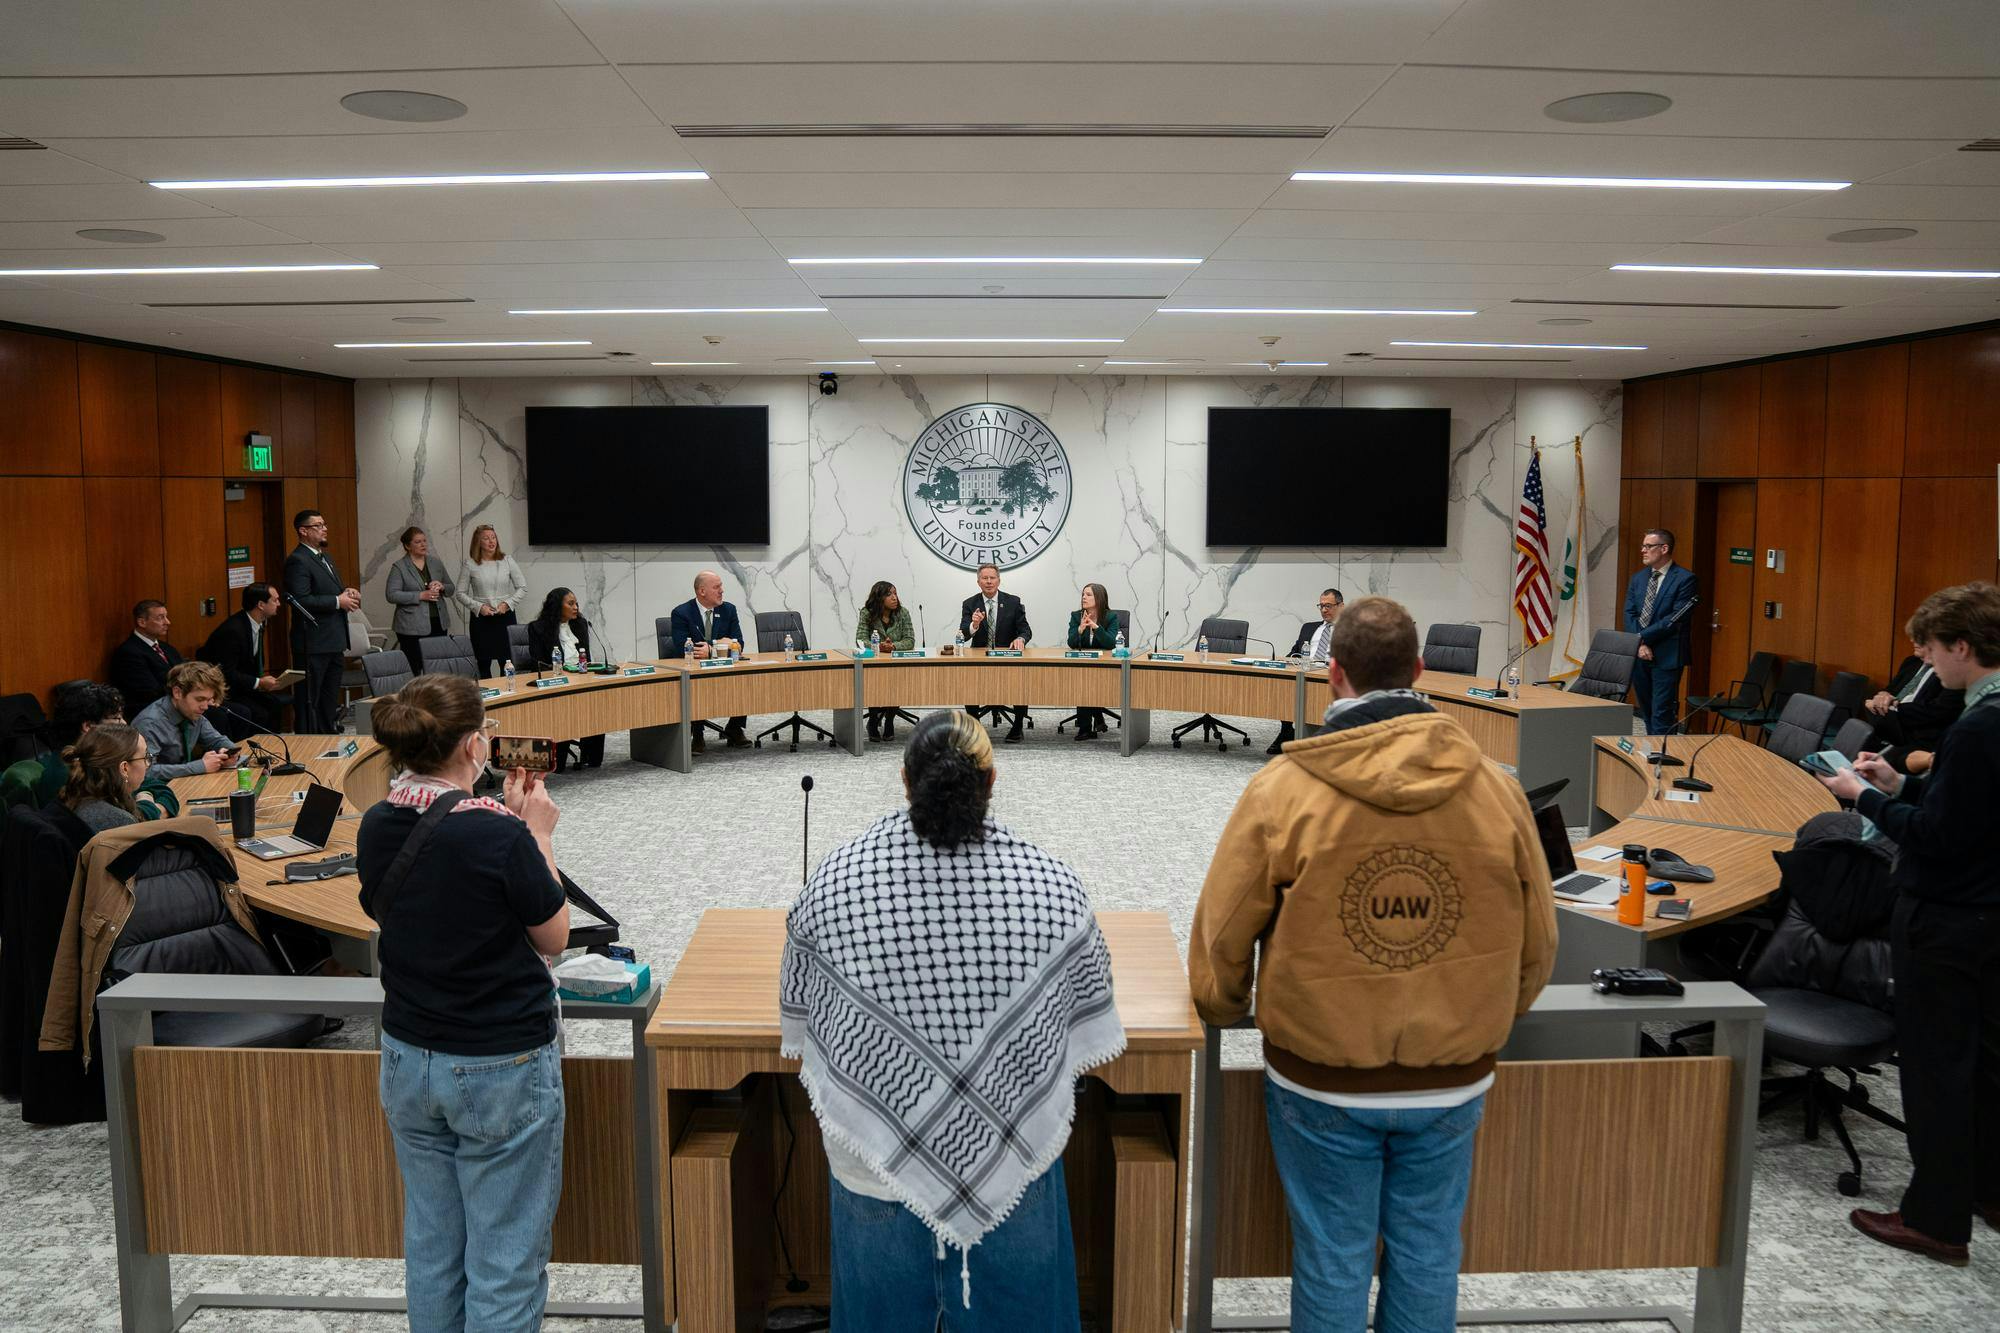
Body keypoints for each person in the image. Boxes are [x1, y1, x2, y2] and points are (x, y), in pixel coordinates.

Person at [1189, 595, 1557, 1333]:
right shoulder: (1498, 789)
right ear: (1421, 671)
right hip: (1453, 1074)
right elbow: (1539, 942)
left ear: (1334, 675)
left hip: (1322, 1074)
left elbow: (1222, 938)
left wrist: (1227, 1007)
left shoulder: (1282, 790)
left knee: (1332, 1255)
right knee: (1427, 1253)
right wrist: (1485, 1015)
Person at [780, 710, 1121, 1327]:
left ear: (904, 782)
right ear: (993, 782)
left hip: (874, 1172)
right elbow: (1083, 1009)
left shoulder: (833, 882)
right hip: (1012, 1164)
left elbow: (802, 1016)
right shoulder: (1053, 886)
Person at [356, 673, 569, 1331]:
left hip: (408, 1056)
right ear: (476, 744)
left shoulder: (377, 822)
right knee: (504, 1261)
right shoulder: (498, 834)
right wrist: (537, 832)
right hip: (498, 1061)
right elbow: (554, 935)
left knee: (433, 1248)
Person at [1814, 582, 2000, 1267]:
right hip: (1989, 913)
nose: (1923, 658)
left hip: (1944, 918)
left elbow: (1938, 836)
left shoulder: (1979, 723)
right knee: (1984, 1066)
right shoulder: (1991, 714)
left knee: (1936, 1072)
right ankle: (1986, 1189)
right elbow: (1972, 808)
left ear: (1961, 644)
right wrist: (1903, 783)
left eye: (1929, 646)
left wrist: (1863, 795)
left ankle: (1934, 1220)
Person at [284, 508, 360, 733]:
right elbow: (301, 599)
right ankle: (309, 743)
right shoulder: (297, 560)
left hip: (334, 640)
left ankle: (328, 737)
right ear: (303, 531)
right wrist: (338, 601)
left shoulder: (325, 557)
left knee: (329, 698)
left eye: (324, 524)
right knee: (310, 699)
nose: (325, 529)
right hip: (313, 642)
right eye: (318, 525)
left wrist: (346, 592)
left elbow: (327, 591)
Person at [3, 680, 124, 811]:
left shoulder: (77, 761)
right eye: (117, 718)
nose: (124, 723)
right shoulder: (70, 777)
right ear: (88, 726)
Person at [1623, 528, 1698, 736]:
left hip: (1667, 655)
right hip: (1639, 654)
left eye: (1648, 546)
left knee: (1662, 712)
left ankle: (1663, 758)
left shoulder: (1685, 579)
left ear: (1664, 548)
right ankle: (1651, 753)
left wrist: (1641, 638)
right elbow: (1629, 614)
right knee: (1646, 710)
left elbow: (1674, 620)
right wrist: (1640, 644)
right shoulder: (1638, 578)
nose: (1642, 550)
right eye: (1643, 546)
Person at [666, 570, 749, 751]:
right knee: (693, 683)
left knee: (745, 677)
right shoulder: (682, 613)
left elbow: (739, 644)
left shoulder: (729, 610)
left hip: (723, 667)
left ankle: (735, 728)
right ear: (702, 591)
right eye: (716, 587)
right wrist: (723, 644)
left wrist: (712, 648)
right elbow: (684, 647)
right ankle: (697, 733)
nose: (722, 591)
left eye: (721, 586)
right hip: (695, 669)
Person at [526, 587, 606, 770]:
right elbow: (538, 663)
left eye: (576, 603)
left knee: (598, 700)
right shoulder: (538, 628)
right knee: (563, 706)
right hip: (556, 683)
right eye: (570, 604)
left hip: (580, 679)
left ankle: (591, 757)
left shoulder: (580, 624)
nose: (576, 607)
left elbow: (586, 658)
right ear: (556, 606)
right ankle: (558, 761)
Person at [198, 582, 286, 740]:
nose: (279, 604)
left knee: (274, 704)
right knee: (257, 712)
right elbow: (225, 672)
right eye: (275, 600)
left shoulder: (258, 624)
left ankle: (274, 748)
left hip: (243, 685)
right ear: (260, 605)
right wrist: (258, 683)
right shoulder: (233, 631)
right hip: (225, 690)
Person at [958, 563, 1031, 744]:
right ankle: (975, 727)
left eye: (992, 578)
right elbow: (962, 635)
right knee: (969, 681)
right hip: (980, 656)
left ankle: (1018, 726)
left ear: (999, 580)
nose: (989, 582)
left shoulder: (1013, 602)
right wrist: (974, 625)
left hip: (1008, 656)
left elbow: (1025, 629)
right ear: (978, 582)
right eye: (985, 578)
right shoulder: (970, 604)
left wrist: (1021, 639)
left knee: (1020, 681)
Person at [1866, 642, 1964, 773]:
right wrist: (1881, 696)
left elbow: (1940, 711)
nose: (1914, 641)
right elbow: (1889, 690)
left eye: (1921, 637)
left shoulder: (1953, 672)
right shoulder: (1911, 662)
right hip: (1890, 724)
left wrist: (1892, 708)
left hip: (1918, 736)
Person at [131, 661, 235, 783]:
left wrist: (229, 752)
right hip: (155, 790)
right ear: (177, 693)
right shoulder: (149, 723)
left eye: (208, 700)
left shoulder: (193, 712)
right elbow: (145, 771)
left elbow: (217, 740)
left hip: (184, 783)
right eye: (200, 699)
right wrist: (199, 766)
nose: (205, 707)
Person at [1269, 587, 1345, 755]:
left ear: (1341, 606)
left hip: (1331, 674)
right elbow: (1294, 652)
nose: (1324, 610)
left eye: (1329, 606)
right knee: (1284, 684)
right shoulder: (1309, 628)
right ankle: (1286, 730)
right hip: (1304, 670)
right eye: (1321, 606)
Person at [458, 523, 531, 677]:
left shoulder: (507, 560)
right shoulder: (470, 564)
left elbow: (522, 587)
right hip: (481, 620)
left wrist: (507, 604)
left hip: (505, 617)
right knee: (483, 662)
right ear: (478, 542)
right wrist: (479, 607)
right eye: (486, 538)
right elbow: (460, 593)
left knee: (507, 662)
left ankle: (508, 696)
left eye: (493, 538)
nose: (491, 541)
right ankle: (488, 698)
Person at [55, 723, 153, 836]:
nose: (147, 764)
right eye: (146, 757)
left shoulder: (79, 795)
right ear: (124, 769)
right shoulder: (118, 822)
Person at [386, 526, 457, 673]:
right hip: (411, 627)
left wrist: (442, 586)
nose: (423, 544)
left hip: (438, 622)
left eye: (425, 541)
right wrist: (420, 595)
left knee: (437, 668)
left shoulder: (435, 563)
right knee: (415, 667)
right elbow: (391, 595)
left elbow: (451, 588)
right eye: (418, 542)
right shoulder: (399, 567)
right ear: (407, 546)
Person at [856, 580, 915, 741]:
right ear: (879, 598)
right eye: (889, 594)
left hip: (897, 661)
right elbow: (860, 640)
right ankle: (873, 720)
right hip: (874, 662)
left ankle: (889, 721)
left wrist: (893, 646)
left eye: (895, 593)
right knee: (875, 683)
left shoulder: (903, 613)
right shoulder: (867, 613)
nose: (894, 598)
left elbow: (910, 640)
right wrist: (879, 646)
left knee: (896, 684)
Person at [107, 599, 184, 718]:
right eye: (160, 618)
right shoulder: (128, 653)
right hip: (152, 714)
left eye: (166, 617)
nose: (167, 622)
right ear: (142, 622)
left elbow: (186, 673)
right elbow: (149, 692)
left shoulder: (167, 648)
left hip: (177, 704)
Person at [1065, 581, 1119, 741]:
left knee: (1088, 682)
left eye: (1088, 595)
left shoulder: (1110, 617)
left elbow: (1111, 644)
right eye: (1083, 594)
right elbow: (1071, 643)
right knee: (1084, 681)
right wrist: (1080, 629)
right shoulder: (1076, 616)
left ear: (1099, 598)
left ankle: (1086, 726)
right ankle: (1093, 721)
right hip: (1082, 664)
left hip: (1105, 666)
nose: (1084, 597)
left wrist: (1096, 627)